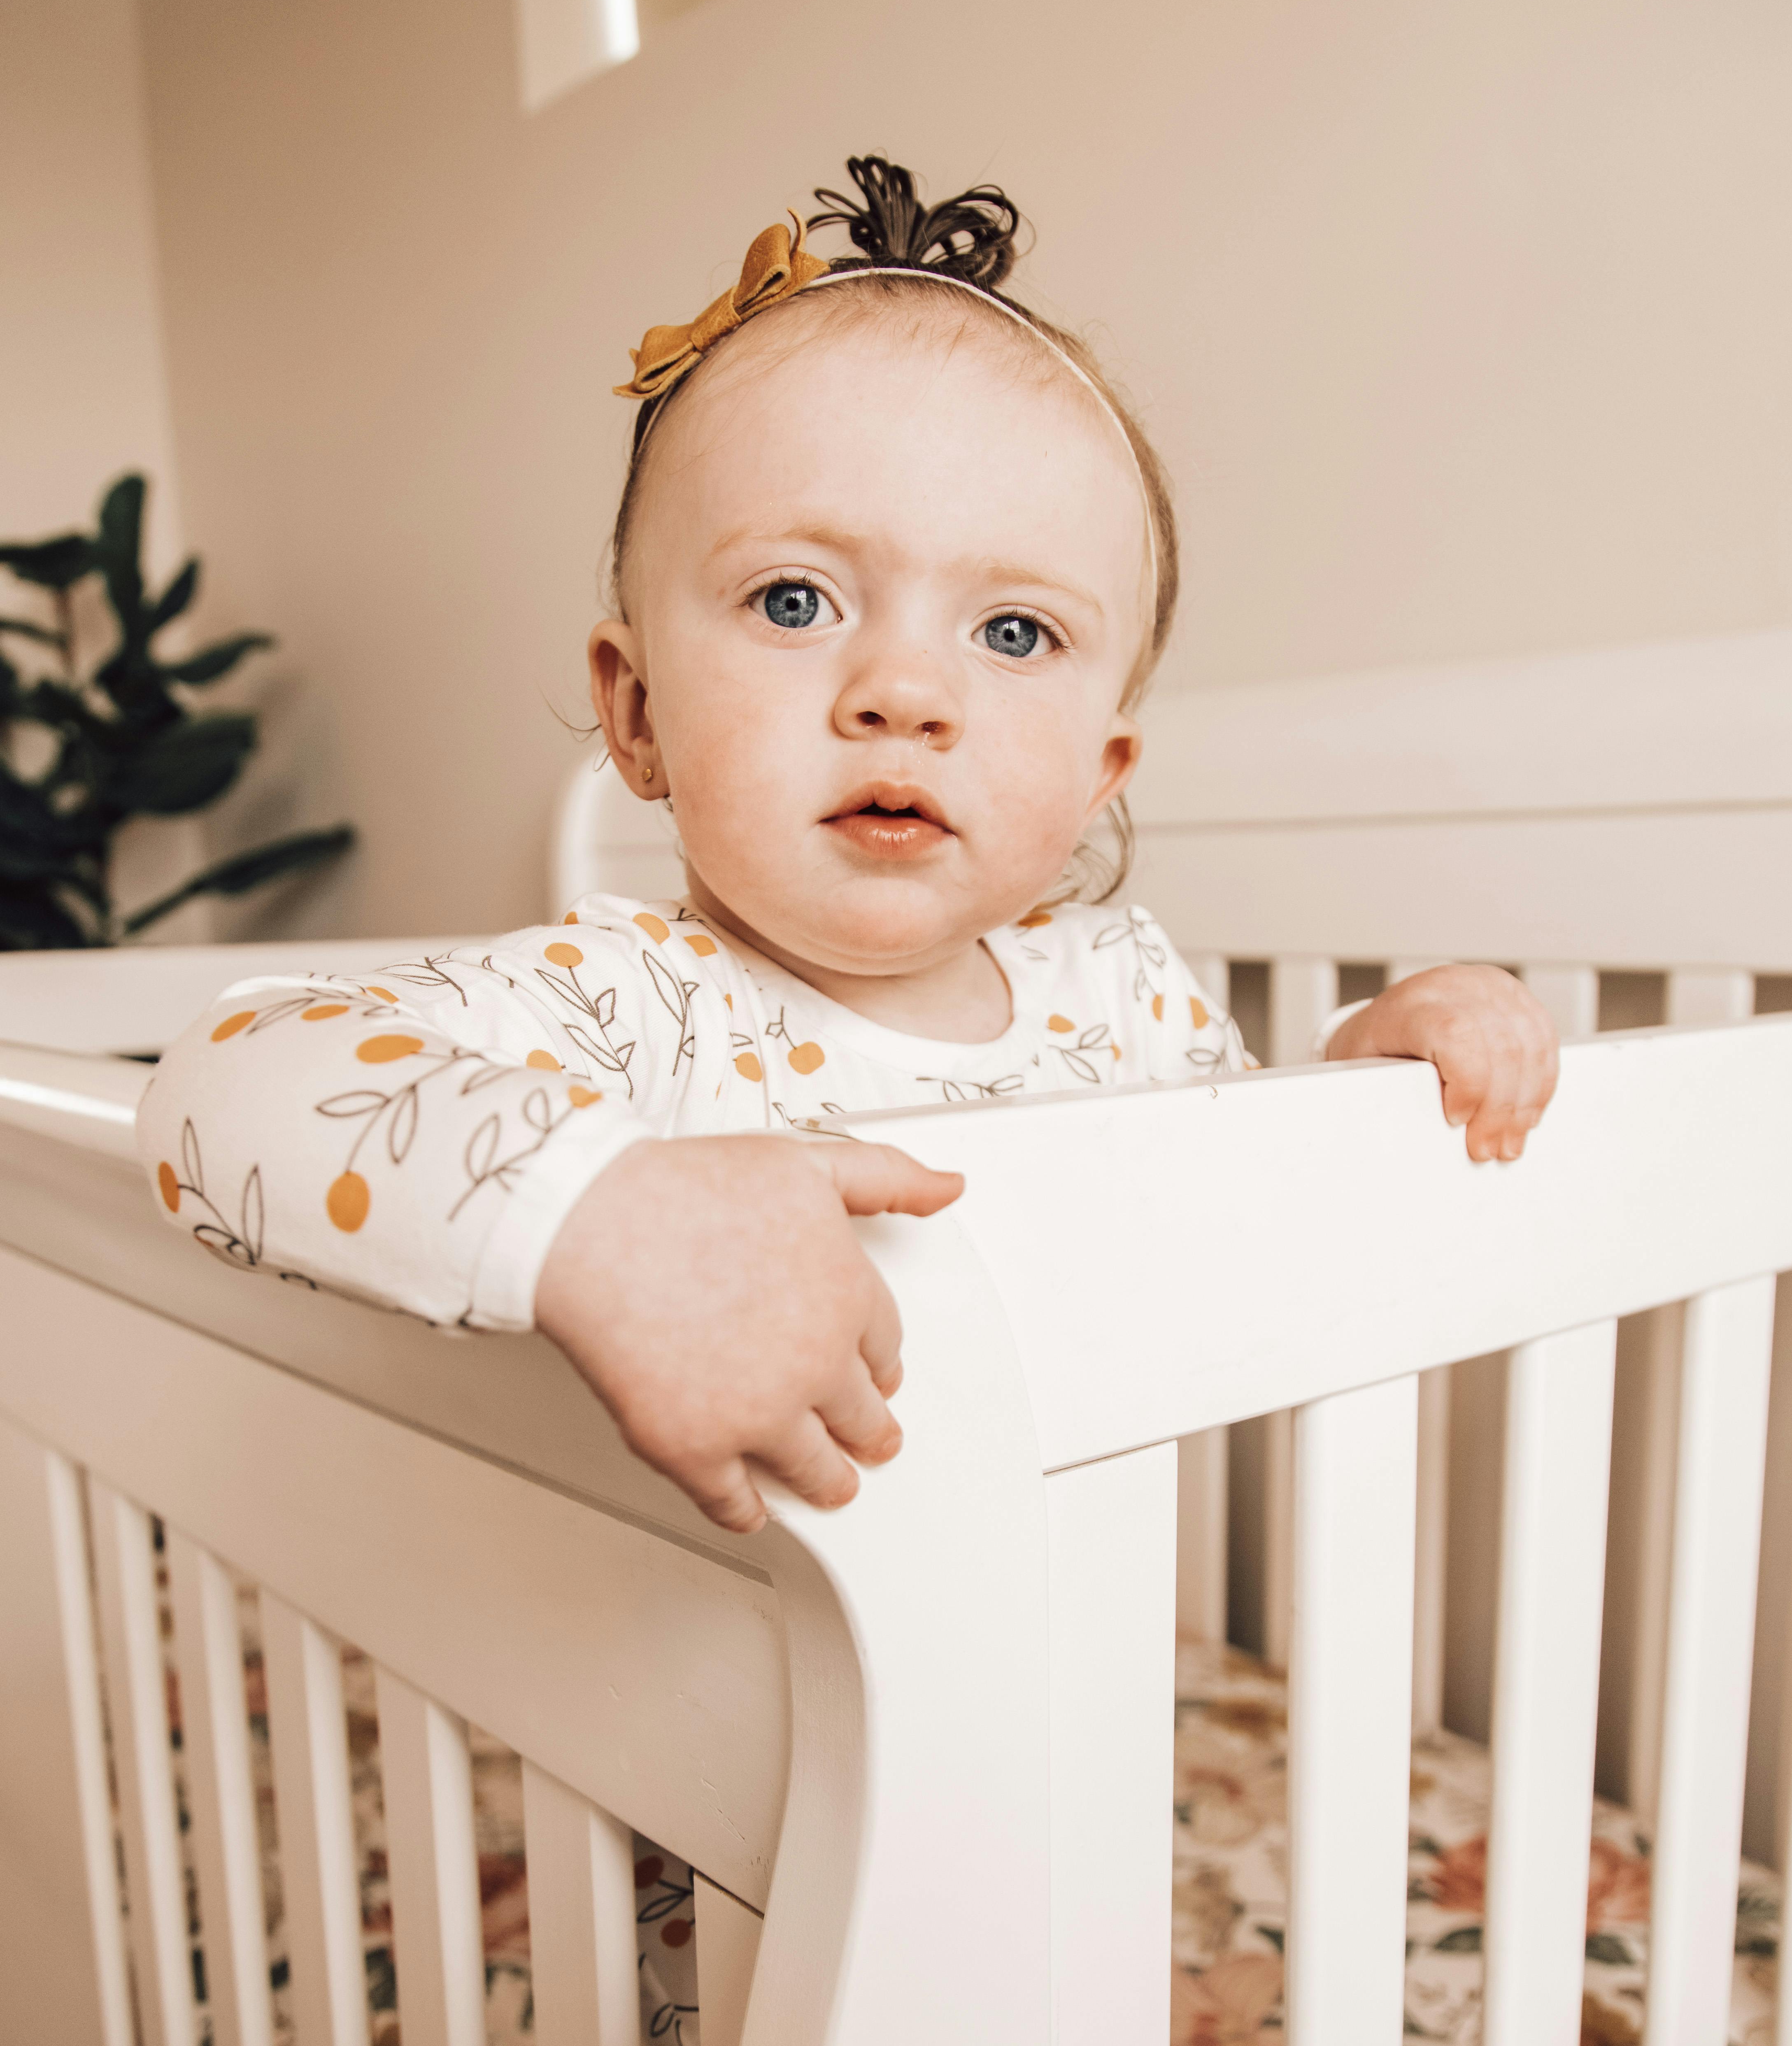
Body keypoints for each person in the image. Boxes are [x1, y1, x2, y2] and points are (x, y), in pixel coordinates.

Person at [138, 156, 1557, 1536]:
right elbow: (212, 1083)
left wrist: (1377, 1075)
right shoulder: (626, 1007)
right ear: (635, 713)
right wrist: (593, 1215)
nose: (904, 693)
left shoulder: (1123, 997)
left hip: (1076, 1708)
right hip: (706, 1745)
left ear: (1099, 775)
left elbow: (1270, 1219)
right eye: (798, 600)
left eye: (1014, 633)